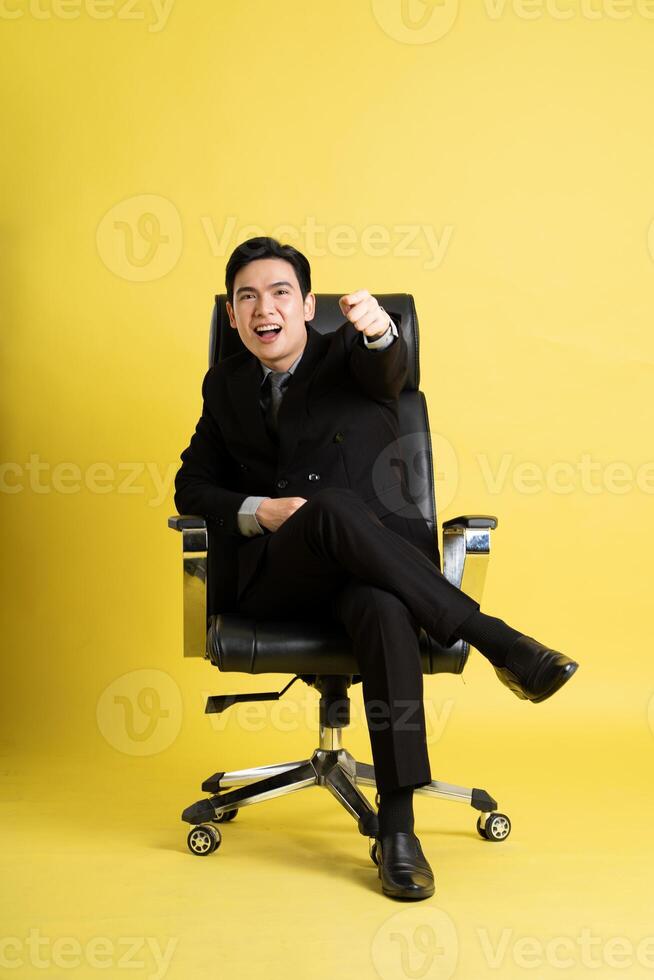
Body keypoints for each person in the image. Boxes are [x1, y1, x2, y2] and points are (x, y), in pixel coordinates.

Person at [174, 236, 579, 900]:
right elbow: (192, 488)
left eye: (280, 293)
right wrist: (261, 511)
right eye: (246, 297)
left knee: (383, 607)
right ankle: (498, 641)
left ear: (310, 306)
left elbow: (389, 368)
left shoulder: (347, 357)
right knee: (328, 509)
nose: (263, 309)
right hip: (280, 579)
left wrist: (382, 332)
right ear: (231, 311)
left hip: (373, 576)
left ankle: (397, 829)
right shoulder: (224, 385)